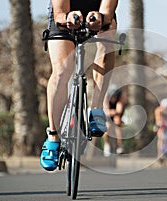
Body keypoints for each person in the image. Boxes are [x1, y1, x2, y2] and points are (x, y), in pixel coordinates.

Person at [40, 0, 118, 171]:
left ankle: (96, 109)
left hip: (98, 12)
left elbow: (107, 11)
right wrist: (67, 17)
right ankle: (53, 135)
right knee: (61, 71)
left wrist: (101, 17)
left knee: (109, 37)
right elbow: (60, 13)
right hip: (64, 12)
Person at [103, 86, 127, 156]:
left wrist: (112, 112)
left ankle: (120, 145)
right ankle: (107, 145)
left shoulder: (120, 97)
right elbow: (106, 111)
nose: (113, 99)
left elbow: (119, 110)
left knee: (117, 121)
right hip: (108, 115)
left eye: (114, 97)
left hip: (117, 115)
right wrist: (112, 112)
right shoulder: (106, 98)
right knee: (107, 127)